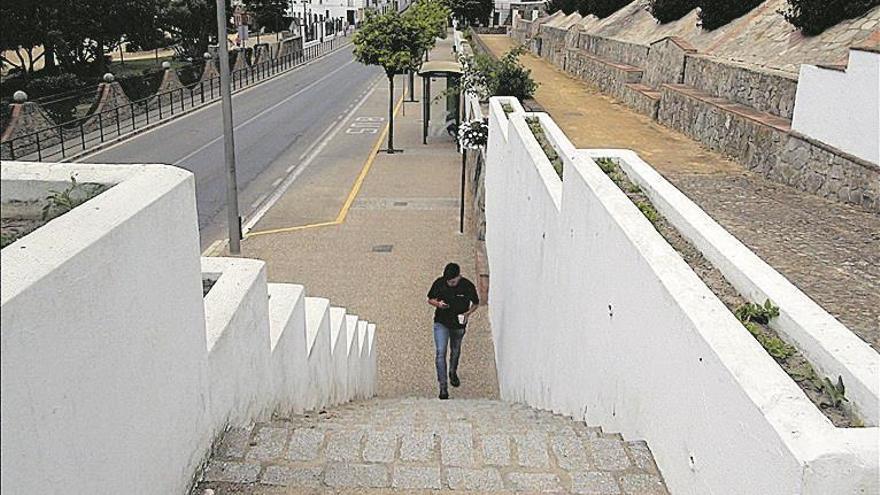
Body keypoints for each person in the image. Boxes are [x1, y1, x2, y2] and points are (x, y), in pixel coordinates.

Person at [427, 262, 480, 400]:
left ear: (459, 276)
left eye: (453, 281)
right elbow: (430, 299)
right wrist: (438, 304)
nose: (450, 284)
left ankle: (452, 372)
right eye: (449, 282)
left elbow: (476, 303)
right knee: (440, 352)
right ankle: (443, 387)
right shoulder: (439, 283)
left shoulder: (467, 286)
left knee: (455, 350)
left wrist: (467, 314)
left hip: (458, 325)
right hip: (441, 322)